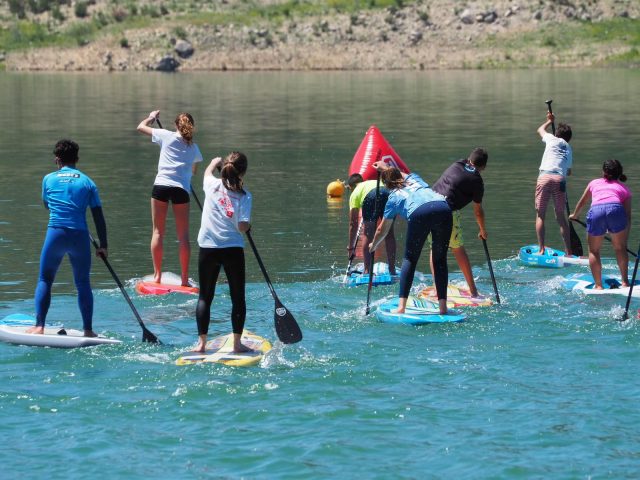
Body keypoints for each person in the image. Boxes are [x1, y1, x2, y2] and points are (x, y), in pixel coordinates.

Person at [26, 140, 108, 337]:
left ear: (57, 160)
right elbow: (98, 215)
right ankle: (88, 330)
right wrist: (103, 245)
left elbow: (48, 205)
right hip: (79, 235)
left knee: (45, 279)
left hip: (56, 233)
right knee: (82, 282)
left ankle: (39, 327)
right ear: (77, 159)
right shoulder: (88, 182)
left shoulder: (48, 179)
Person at [369, 162, 452, 314]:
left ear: (387, 185)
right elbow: (400, 174)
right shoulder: (415, 178)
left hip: (420, 213)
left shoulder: (392, 198)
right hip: (443, 208)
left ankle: (401, 308)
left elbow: (382, 230)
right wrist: (385, 167)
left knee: (410, 259)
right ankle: (443, 308)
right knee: (440, 259)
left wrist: (373, 245)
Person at [194, 152, 253, 353]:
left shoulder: (210, 185)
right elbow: (242, 226)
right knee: (238, 298)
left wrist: (214, 162)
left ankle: (201, 344)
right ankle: (237, 344)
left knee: (205, 297)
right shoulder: (244, 196)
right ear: (243, 172)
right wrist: (248, 226)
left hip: (208, 248)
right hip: (232, 250)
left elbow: (207, 172)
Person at [136, 110, 203, 286]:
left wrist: (151, 117)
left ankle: (157, 276)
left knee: (158, 232)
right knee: (183, 236)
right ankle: (184, 280)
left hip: (161, 186)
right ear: (191, 127)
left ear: (176, 125)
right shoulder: (194, 148)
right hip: (181, 189)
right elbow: (194, 171)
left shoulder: (165, 135)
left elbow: (140, 127)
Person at [430, 148, 488, 297]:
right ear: (483, 168)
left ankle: (437, 289)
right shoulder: (477, 180)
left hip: (428, 205)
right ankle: (473, 292)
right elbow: (478, 210)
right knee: (457, 249)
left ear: (469, 159)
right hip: (446, 210)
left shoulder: (458, 163)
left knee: (435, 248)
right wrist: (482, 230)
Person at [569, 159, 632, 289]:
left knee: (594, 250)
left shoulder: (594, 183)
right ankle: (625, 282)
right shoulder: (624, 189)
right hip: (616, 211)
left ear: (603, 172)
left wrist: (574, 215)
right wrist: (624, 236)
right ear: (620, 173)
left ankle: (598, 286)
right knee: (620, 248)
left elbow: (582, 202)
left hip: (597, 211)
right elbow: (627, 215)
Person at [535, 111, 573, 255]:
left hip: (544, 177)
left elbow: (540, 130)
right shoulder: (569, 148)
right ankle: (569, 251)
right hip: (559, 179)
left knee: (540, 216)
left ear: (556, 134)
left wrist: (549, 121)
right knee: (560, 217)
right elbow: (568, 171)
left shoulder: (551, 138)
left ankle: (541, 249)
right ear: (568, 139)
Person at [347, 173, 396, 275]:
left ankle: (367, 270)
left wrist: (351, 247)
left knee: (368, 234)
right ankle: (392, 270)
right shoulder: (372, 182)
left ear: (351, 187)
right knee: (389, 233)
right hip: (388, 193)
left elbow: (353, 224)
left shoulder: (354, 193)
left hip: (371, 196)